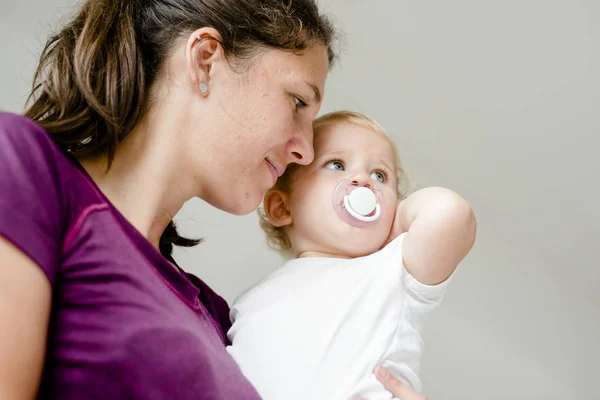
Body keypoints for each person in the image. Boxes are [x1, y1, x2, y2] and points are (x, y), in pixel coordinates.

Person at [226, 111, 477, 400]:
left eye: (380, 175)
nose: (362, 180)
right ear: (282, 207)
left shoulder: (394, 268)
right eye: (336, 164)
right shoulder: (250, 301)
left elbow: (450, 214)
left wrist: (393, 226)